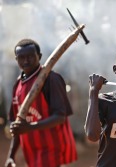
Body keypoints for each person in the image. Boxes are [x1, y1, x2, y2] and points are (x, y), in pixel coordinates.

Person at [5, 39, 77, 167]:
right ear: (16, 59)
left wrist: (30, 127)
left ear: (40, 56)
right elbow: (18, 126)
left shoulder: (51, 79)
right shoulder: (18, 84)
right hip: (31, 152)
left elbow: (60, 117)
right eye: (21, 57)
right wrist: (11, 155)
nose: (26, 61)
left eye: (31, 56)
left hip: (52, 149)